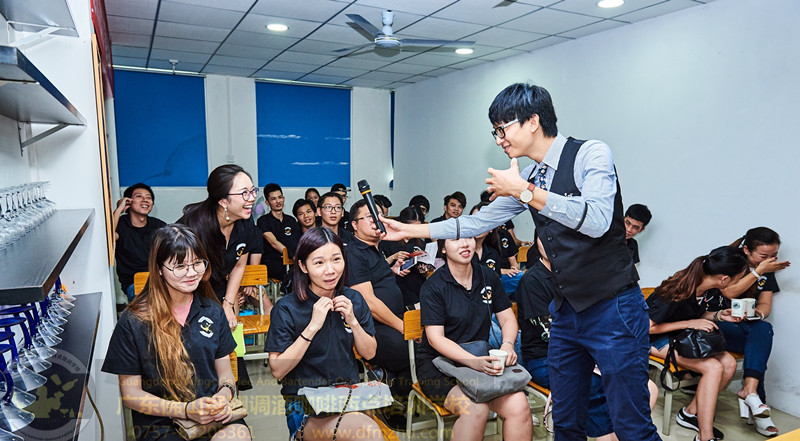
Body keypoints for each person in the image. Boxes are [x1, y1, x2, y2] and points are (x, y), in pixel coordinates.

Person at [382, 83, 658, 440]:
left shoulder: (590, 154)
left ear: (532, 121)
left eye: (502, 129)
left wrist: (524, 192)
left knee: (631, 425)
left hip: (613, 307)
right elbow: (477, 222)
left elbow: (597, 219)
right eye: (495, 132)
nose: (499, 139)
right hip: (567, 311)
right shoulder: (531, 177)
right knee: (566, 420)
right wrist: (411, 229)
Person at [102, 224, 251, 441]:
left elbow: (226, 374)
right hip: (163, 423)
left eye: (197, 263)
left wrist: (223, 395)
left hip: (212, 414)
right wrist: (186, 410)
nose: (192, 273)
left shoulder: (212, 310)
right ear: (159, 268)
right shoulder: (133, 321)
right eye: (180, 266)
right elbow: (131, 395)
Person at [519, 235, 658, 441]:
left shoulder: (578, 277)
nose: (551, 243)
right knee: (599, 389)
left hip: (586, 351)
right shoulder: (533, 280)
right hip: (543, 357)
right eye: (545, 238)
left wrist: (598, 356)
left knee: (644, 388)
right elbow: (551, 333)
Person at [265, 227, 383, 441]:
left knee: (366, 430)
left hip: (347, 396)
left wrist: (353, 321)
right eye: (319, 263)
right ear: (303, 266)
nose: (330, 270)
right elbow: (278, 370)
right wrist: (312, 326)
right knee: (367, 432)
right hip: (304, 405)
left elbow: (370, 353)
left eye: (336, 259)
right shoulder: (286, 308)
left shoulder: (353, 299)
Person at [416, 236, 532, 441]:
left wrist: (507, 345)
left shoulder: (488, 276)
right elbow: (436, 339)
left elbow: (507, 319)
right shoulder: (434, 286)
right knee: (475, 409)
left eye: (468, 237)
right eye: (455, 239)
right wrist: (473, 362)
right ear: (443, 248)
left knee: (519, 405)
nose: (464, 243)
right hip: (439, 365)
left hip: (480, 361)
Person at [647, 246, 747, 441]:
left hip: (680, 335)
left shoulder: (707, 289)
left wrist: (720, 315)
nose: (739, 282)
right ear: (724, 278)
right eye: (739, 277)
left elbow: (695, 314)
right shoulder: (678, 288)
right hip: (651, 338)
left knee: (729, 364)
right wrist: (689, 323)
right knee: (713, 367)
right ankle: (704, 436)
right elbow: (647, 327)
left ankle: (690, 414)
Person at [715, 227, 789, 437]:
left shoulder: (766, 271)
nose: (770, 260)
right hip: (715, 322)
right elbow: (728, 292)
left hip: (744, 327)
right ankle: (757, 404)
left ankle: (750, 391)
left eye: (774, 255)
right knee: (758, 347)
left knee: (762, 330)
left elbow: (765, 305)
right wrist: (759, 271)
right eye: (764, 256)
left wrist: (757, 314)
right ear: (746, 249)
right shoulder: (729, 261)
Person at [347, 200, 413, 412]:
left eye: (378, 215)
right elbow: (369, 302)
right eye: (369, 216)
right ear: (354, 225)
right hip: (373, 328)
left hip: (393, 320)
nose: (376, 221)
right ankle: (392, 400)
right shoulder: (354, 253)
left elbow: (375, 279)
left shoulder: (377, 248)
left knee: (429, 345)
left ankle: (395, 387)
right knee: (412, 351)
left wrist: (391, 272)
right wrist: (402, 327)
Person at [112, 183, 166, 302]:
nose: (145, 200)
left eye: (148, 197)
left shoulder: (158, 225)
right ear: (128, 202)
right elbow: (107, 238)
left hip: (159, 279)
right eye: (139, 196)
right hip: (135, 283)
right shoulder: (120, 225)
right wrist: (119, 209)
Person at [379, 206, 429, 309]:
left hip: (416, 284)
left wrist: (424, 271)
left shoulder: (420, 243)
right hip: (395, 283)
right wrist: (394, 257)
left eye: (418, 228)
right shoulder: (388, 241)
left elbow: (424, 270)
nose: (414, 231)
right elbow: (379, 267)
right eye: (411, 228)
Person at [256, 183, 300, 281]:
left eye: (280, 197)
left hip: (292, 262)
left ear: (283, 198)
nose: (278, 201)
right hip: (272, 263)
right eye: (273, 199)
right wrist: (288, 253)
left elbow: (296, 242)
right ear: (267, 202)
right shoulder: (263, 221)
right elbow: (274, 243)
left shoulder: (291, 220)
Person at [624, 204, 652, 268]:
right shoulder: (605, 236)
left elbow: (632, 269)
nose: (629, 229)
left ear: (641, 230)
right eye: (627, 223)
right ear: (622, 219)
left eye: (636, 227)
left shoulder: (633, 245)